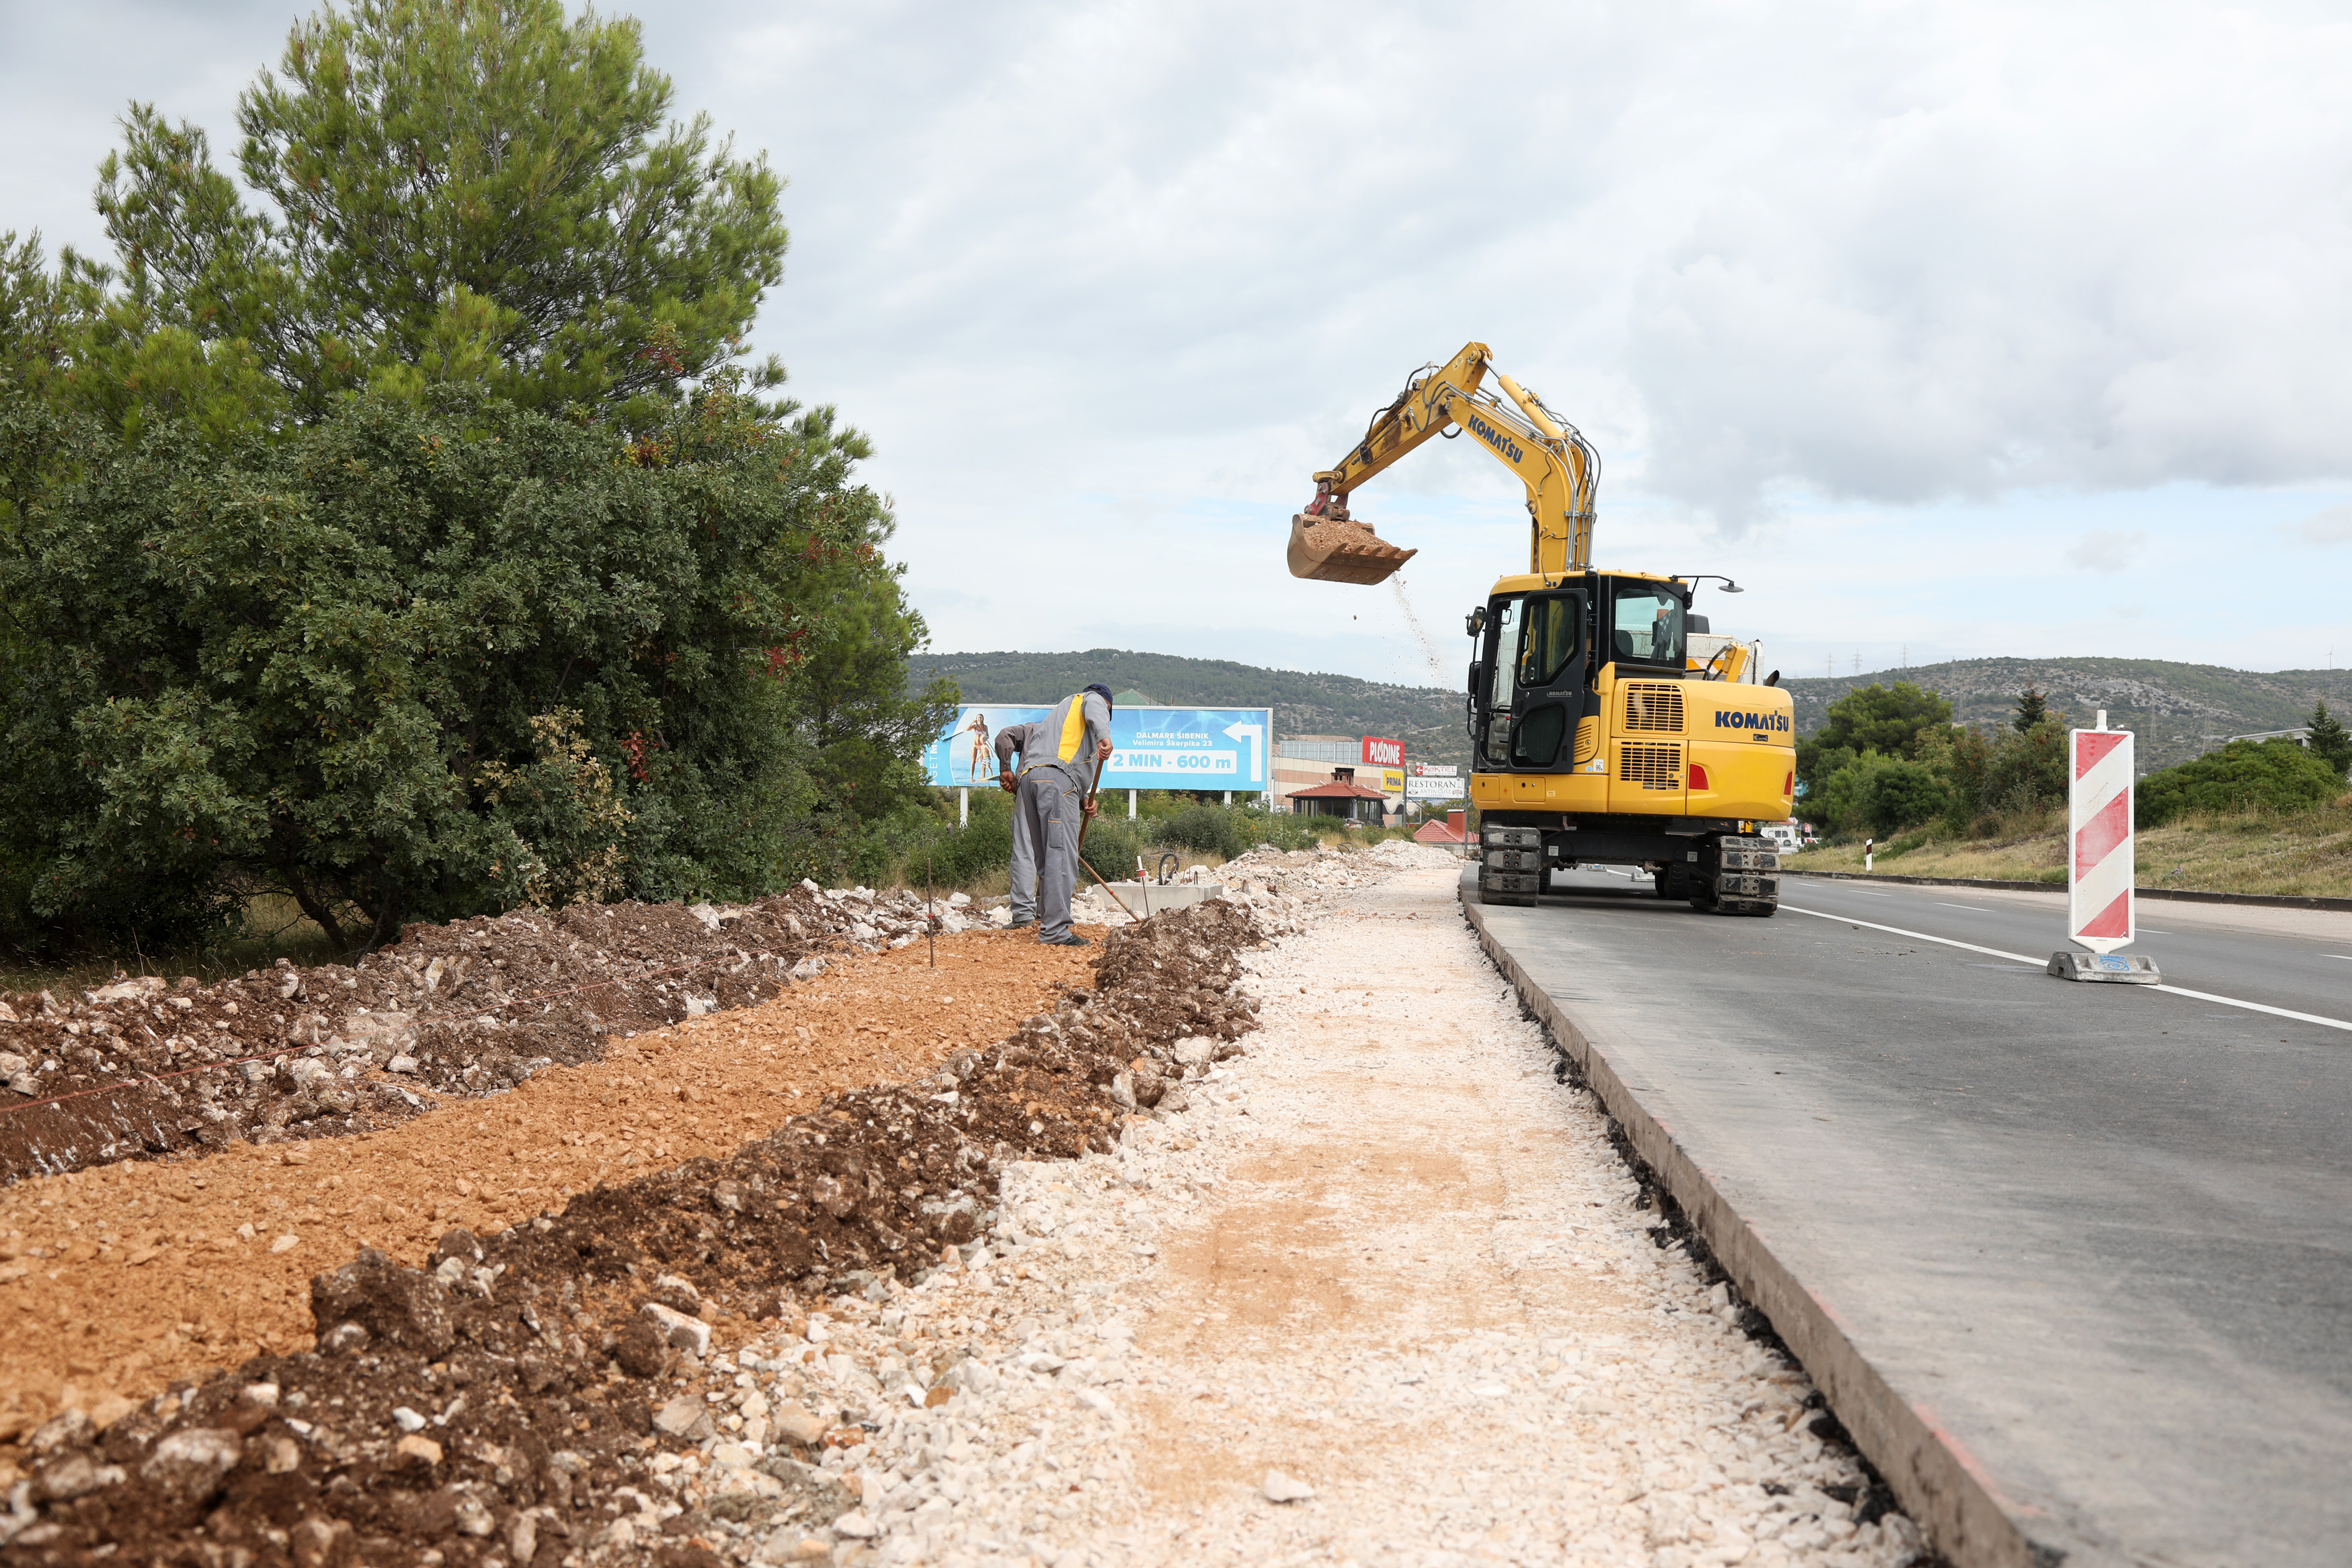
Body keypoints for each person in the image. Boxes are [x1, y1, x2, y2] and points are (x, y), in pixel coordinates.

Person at [997, 685, 1114, 945]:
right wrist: (1104, 736)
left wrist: (1082, 799)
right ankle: (1055, 932)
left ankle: (1045, 919)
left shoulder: (1055, 719)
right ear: (1106, 706)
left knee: (1045, 860)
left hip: (1030, 781)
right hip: (1057, 782)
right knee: (1060, 858)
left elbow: (1058, 763)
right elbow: (1095, 705)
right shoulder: (1090, 699)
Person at [963, 711, 993, 782]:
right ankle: (972, 777)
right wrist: (973, 722)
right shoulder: (975, 726)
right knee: (973, 760)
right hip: (975, 745)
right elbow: (967, 729)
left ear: (983, 719)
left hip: (982, 746)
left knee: (983, 761)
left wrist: (985, 737)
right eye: (978, 718)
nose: (980, 719)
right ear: (977, 719)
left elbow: (988, 736)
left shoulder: (985, 727)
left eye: (981, 718)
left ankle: (983, 777)